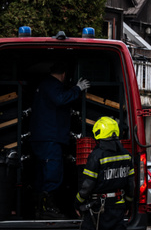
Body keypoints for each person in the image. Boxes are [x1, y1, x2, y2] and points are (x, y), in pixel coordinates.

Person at [30, 62, 90, 219]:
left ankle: (39, 208)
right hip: (50, 138)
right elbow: (61, 99)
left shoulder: (43, 85)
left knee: (42, 174)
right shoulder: (53, 86)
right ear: (64, 75)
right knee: (52, 173)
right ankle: (48, 209)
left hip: (41, 138)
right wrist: (77, 89)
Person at [75, 117, 135, 230]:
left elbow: (88, 185)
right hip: (118, 207)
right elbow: (131, 185)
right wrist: (128, 203)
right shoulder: (127, 155)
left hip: (99, 208)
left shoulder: (96, 156)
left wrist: (78, 202)